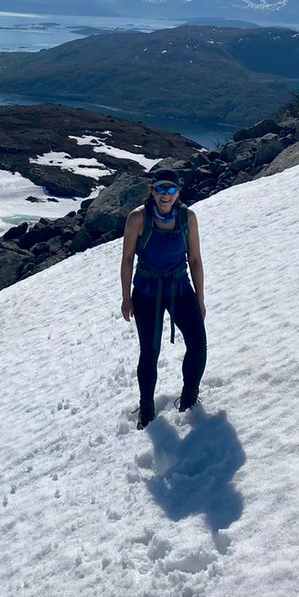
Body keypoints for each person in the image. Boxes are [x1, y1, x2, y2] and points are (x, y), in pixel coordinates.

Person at [120, 169, 207, 428]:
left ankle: (189, 398)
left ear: (178, 192)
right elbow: (127, 259)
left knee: (198, 345)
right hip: (147, 292)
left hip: (180, 288)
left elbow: (195, 259)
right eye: (160, 189)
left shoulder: (187, 217)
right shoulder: (138, 218)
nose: (165, 195)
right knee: (150, 350)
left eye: (170, 190)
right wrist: (126, 298)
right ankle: (146, 407)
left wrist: (199, 298)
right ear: (152, 191)